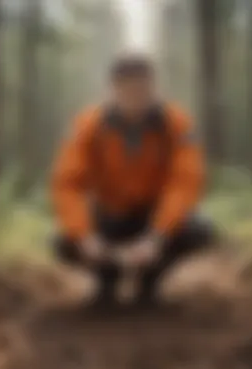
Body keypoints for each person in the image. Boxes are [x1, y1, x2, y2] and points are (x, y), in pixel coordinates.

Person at [51, 53, 216, 306]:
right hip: (108, 214)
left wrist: (158, 236)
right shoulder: (87, 125)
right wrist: (84, 236)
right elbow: (67, 184)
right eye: (127, 89)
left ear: (154, 87)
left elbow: (186, 182)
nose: (136, 96)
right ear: (113, 89)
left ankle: (149, 281)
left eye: (142, 89)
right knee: (62, 240)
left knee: (200, 229)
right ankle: (106, 279)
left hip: (154, 214)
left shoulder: (177, 123)